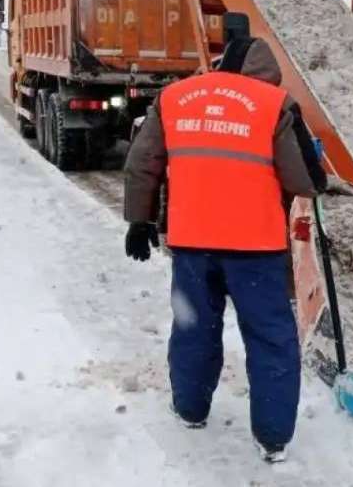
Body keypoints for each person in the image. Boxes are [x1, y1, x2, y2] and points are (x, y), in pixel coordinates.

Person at [122, 37, 323, 464]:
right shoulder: (274, 103)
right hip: (256, 249)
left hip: (192, 245)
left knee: (193, 328)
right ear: (267, 74)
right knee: (270, 339)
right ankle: (272, 439)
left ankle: (191, 410)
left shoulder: (176, 97)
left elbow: (143, 162)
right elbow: (305, 180)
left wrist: (139, 221)